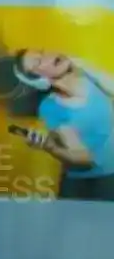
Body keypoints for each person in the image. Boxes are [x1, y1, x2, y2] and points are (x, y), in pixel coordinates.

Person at [8, 49, 114, 200]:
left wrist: (83, 64)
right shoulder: (53, 108)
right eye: (38, 61)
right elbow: (85, 160)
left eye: (42, 52)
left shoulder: (86, 76)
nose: (47, 56)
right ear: (40, 80)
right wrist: (50, 147)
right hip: (87, 188)